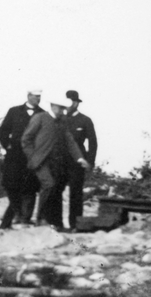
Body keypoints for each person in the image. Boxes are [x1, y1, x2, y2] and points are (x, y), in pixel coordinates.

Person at [21, 92, 89, 230]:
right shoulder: (40, 118)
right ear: (52, 106)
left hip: (56, 162)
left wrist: (79, 158)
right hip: (40, 161)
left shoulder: (62, 121)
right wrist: (33, 157)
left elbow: (70, 141)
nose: (63, 111)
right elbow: (26, 139)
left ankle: (47, 220)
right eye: (60, 108)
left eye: (64, 108)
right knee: (49, 184)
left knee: (54, 189)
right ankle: (40, 219)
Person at [0, 89, 44, 229]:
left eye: (39, 96)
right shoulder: (14, 111)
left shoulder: (43, 114)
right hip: (15, 155)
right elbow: (4, 130)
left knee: (30, 187)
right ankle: (17, 214)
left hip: (31, 155)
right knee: (11, 185)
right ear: (29, 96)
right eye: (35, 96)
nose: (38, 99)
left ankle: (25, 218)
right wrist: (7, 145)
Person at [64, 90, 98, 229]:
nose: (70, 105)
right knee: (55, 190)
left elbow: (93, 142)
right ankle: (55, 223)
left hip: (78, 162)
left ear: (77, 103)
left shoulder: (85, 120)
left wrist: (90, 162)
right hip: (60, 160)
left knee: (76, 193)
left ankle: (75, 224)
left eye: (73, 102)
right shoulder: (60, 119)